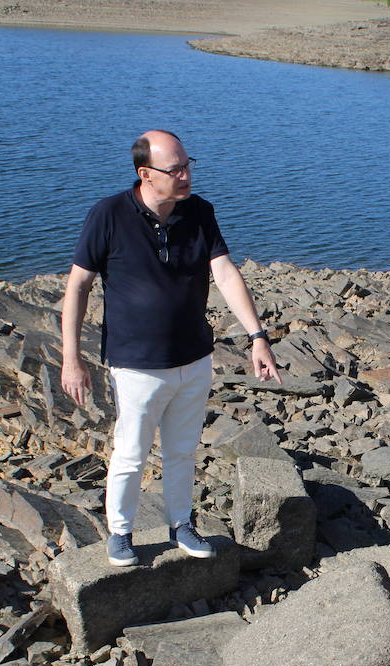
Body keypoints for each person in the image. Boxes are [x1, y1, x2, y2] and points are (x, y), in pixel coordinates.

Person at [60, 129, 280, 568]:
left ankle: (181, 524)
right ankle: (120, 533)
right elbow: (78, 284)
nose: (185, 175)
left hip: (194, 357)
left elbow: (224, 272)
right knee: (131, 452)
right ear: (146, 174)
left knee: (182, 450)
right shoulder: (108, 215)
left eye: (187, 165)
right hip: (137, 363)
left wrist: (257, 336)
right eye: (175, 169)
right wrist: (71, 358)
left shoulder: (199, 211)